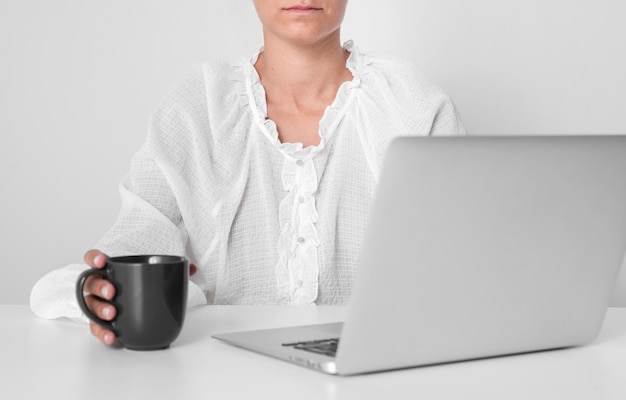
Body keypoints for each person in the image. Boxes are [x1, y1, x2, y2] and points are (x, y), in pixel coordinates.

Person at [30, 0, 466, 346]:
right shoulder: (196, 108)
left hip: (378, 368)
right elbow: (139, 236)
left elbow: (467, 262)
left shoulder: (413, 105)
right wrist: (102, 292)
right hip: (219, 372)